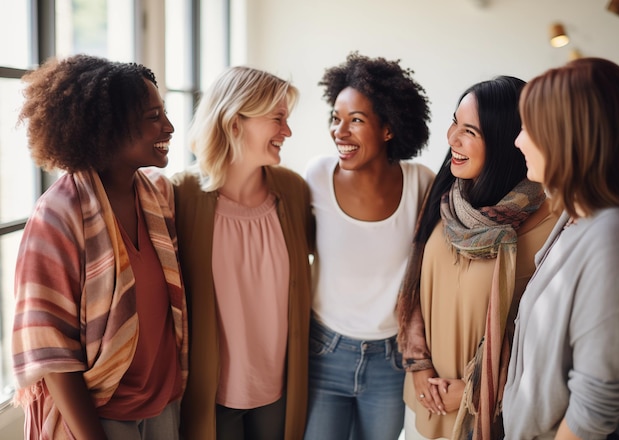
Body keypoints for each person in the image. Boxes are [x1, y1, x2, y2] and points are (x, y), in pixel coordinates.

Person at [11, 54, 188, 440]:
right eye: (153, 116)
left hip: (161, 406)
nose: (169, 127)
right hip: (101, 417)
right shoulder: (57, 216)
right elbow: (51, 351)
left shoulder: (157, 198)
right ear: (109, 128)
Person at [397, 76, 557, 440]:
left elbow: (538, 342)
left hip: (481, 417)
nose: (452, 138)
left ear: (505, 141)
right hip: (422, 402)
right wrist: (418, 365)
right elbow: (414, 290)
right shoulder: (445, 196)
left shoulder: (549, 227)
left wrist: (473, 390)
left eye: (470, 131)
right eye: (455, 122)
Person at [171, 65, 313, 440]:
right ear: (235, 122)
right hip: (210, 393)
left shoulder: (293, 191)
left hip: (279, 388)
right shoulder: (179, 195)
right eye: (277, 119)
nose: (288, 131)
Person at [303, 52, 434, 440]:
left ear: (389, 129)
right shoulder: (316, 176)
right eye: (336, 119)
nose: (339, 133)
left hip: (391, 359)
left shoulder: (421, 184)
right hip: (324, 350)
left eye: (356, 120)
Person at [502, 57, 619, 440]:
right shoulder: (572, 218)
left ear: (566, 134)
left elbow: (595, 404)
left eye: (528, 128)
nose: (518, 140)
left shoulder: (611, 238)